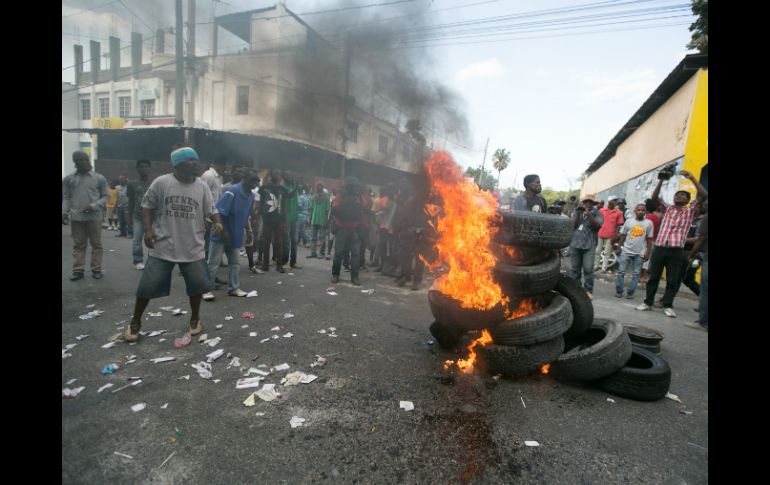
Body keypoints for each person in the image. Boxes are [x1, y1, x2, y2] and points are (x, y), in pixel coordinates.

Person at [122, 147, 223, 342]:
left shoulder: (201, 186)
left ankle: (195, 319)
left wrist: (217, 221)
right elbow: (147, 205)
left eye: (197, 160)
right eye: (191, 161)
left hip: (193, 247)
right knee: (146, 288)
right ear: (177, 164)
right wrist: (148, 229)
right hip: (164, 246)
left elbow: (212, 209)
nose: (196, 164)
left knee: (197, 287)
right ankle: (135, 322)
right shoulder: (162, 183)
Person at [636, 170, 707, 317]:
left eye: (683, 195)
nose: (679, 196)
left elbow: (703, 195)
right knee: (653, 276)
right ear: (673, 198)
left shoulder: (690, 211)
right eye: (677, 194)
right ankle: (648, 302)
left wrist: (692, 177)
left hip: (676, 251)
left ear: (688, 201)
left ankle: (668, 305)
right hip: (660, 248)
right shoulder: (667, 208)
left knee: (672, 279)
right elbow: (654, 198)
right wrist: (661, 180)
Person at [202, 169, 260, 300]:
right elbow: (219, 212)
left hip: (237, 233)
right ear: (244, 179)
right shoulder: (232, 191)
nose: (255, 184)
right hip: (222, 232)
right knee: (213, 262)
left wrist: (248, 231)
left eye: (257, 181)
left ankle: (234, 288)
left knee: (235, 263)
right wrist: (224, 232)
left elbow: (246, 216)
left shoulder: (250, 195)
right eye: (253, 180)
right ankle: (206, 290)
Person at [62, 150, 109, 280]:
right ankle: (78, 270)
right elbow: (66, 197)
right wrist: (64, 212)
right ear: (75, 163)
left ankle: (96, 269)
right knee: (78, 244)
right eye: (80, 160)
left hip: (94, 217)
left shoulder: (99, 178)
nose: (84, 162)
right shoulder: (69, 179)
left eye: (85, 160)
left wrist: (93, 206)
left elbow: (106, 196)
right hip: (76, 217)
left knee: (96, 244)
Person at [330, 176, 366, 286]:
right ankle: (335, 274)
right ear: (348, 187)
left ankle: (355, 277)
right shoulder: (341, 196)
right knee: (339, 253)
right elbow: (335, 210)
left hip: (355, 229)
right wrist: (347, 203)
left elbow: (363, 210)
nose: (354, 189)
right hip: (342, 228)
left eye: (355, 186)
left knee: (355, 254)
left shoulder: (359, 197)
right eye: (352, 186)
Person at [614, 203, 654, 299]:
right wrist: (618, 247)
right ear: (635, 211)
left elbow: (649, 239)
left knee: (636, 274)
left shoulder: (649, 223)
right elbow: (623, 235)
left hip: (639, 253)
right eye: (639, 210)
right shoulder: (629, 221)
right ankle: (619, 291)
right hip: (626, 251)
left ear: (645, 212)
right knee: (621, 272)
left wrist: (648, 252)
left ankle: (630, 292)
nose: (641, 212)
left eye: (643, 210)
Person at [568, 194, 604, 300]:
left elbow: (597, 226)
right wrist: (579, 213)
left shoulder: (598, 213)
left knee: (588, 269)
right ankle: (576, 290)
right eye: (586, 201)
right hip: (575, 244)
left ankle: (588, 290)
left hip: (589, 245)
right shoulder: (576, 211)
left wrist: (589, 215)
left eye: (590, 202)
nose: (587, 203)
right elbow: (572, 225)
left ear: (593, 203)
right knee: (575, 269)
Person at [258, 170, 288, 273]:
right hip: (267, 220)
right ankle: (265, 265)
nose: (278, 175)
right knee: (266, 242)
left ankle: (279, 266)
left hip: (279, 220)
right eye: (276, 173)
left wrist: (285, 220)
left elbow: (284, 206)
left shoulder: (283, 189)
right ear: (271, 175)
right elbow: (260, 202)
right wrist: (260, 215)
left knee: (279, 243)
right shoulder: (264, 188)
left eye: (279, 174)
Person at [685, 201, 708, 332]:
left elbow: (701, 238)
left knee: (705, 288)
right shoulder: (693, 218)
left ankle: (703, 322)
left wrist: (691, 255)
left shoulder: (705, 218)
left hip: (702, 254)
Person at [127, 159, 153, 270]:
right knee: (137, 238)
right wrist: (129, 217)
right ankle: (138, 260)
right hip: (137, 215)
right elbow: (131, 201)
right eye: (141, 167)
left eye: (146, 167)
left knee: (155, 239)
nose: (144, 169)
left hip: (152, 216)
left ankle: (154, 260)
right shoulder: (132, 184)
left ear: (150, 169)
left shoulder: (154, 183)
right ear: (137, 169)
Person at [595, 196, 624, 273]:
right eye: (614, 201)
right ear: (609, 202)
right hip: (600, 233)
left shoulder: (619, 213)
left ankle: (603, 269)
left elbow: (619, 225)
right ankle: (595, 266)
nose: (615, 203)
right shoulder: (601, 210)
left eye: (616, 201)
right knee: (597, 251)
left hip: (610, 235)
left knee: (607, 253)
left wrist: (615, 235)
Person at [280, 172, 302, 269]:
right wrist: (296, 187)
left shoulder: (294, 187)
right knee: (286, 241)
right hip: (286, 218)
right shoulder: (282, 187)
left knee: (294, 240)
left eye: (291, 176)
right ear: (284, 178)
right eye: (288, 176)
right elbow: (289, 195)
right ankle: (284, 261)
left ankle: (293, 262)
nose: (290, 177)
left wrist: (297, 186)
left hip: (295, 217)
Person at [307, 182, 330, 259]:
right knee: (313, 238)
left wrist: (326, 220)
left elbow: (327, 210)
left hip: (322, 220)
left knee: (322, 237)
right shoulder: (313, 197)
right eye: (317, 186)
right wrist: (309, 218)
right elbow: (311, 208)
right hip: (314, 219)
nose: (318, 188)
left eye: (320, 186)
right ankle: (313, 253)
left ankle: (322, 253)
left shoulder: (326, 198)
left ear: (322, 188)